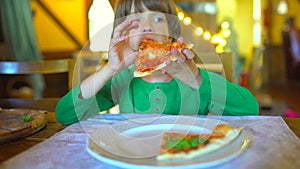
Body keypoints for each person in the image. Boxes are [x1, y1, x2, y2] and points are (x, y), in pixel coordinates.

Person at [55, 0, 259, 125]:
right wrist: (110, 68)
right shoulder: (122, 79)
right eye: (136, 21)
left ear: (172, 33)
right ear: (124, 33)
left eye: (158, 19)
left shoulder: (193, 77)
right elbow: (64, 113)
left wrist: (196, 78)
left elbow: (250, 108)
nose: (147, 27)